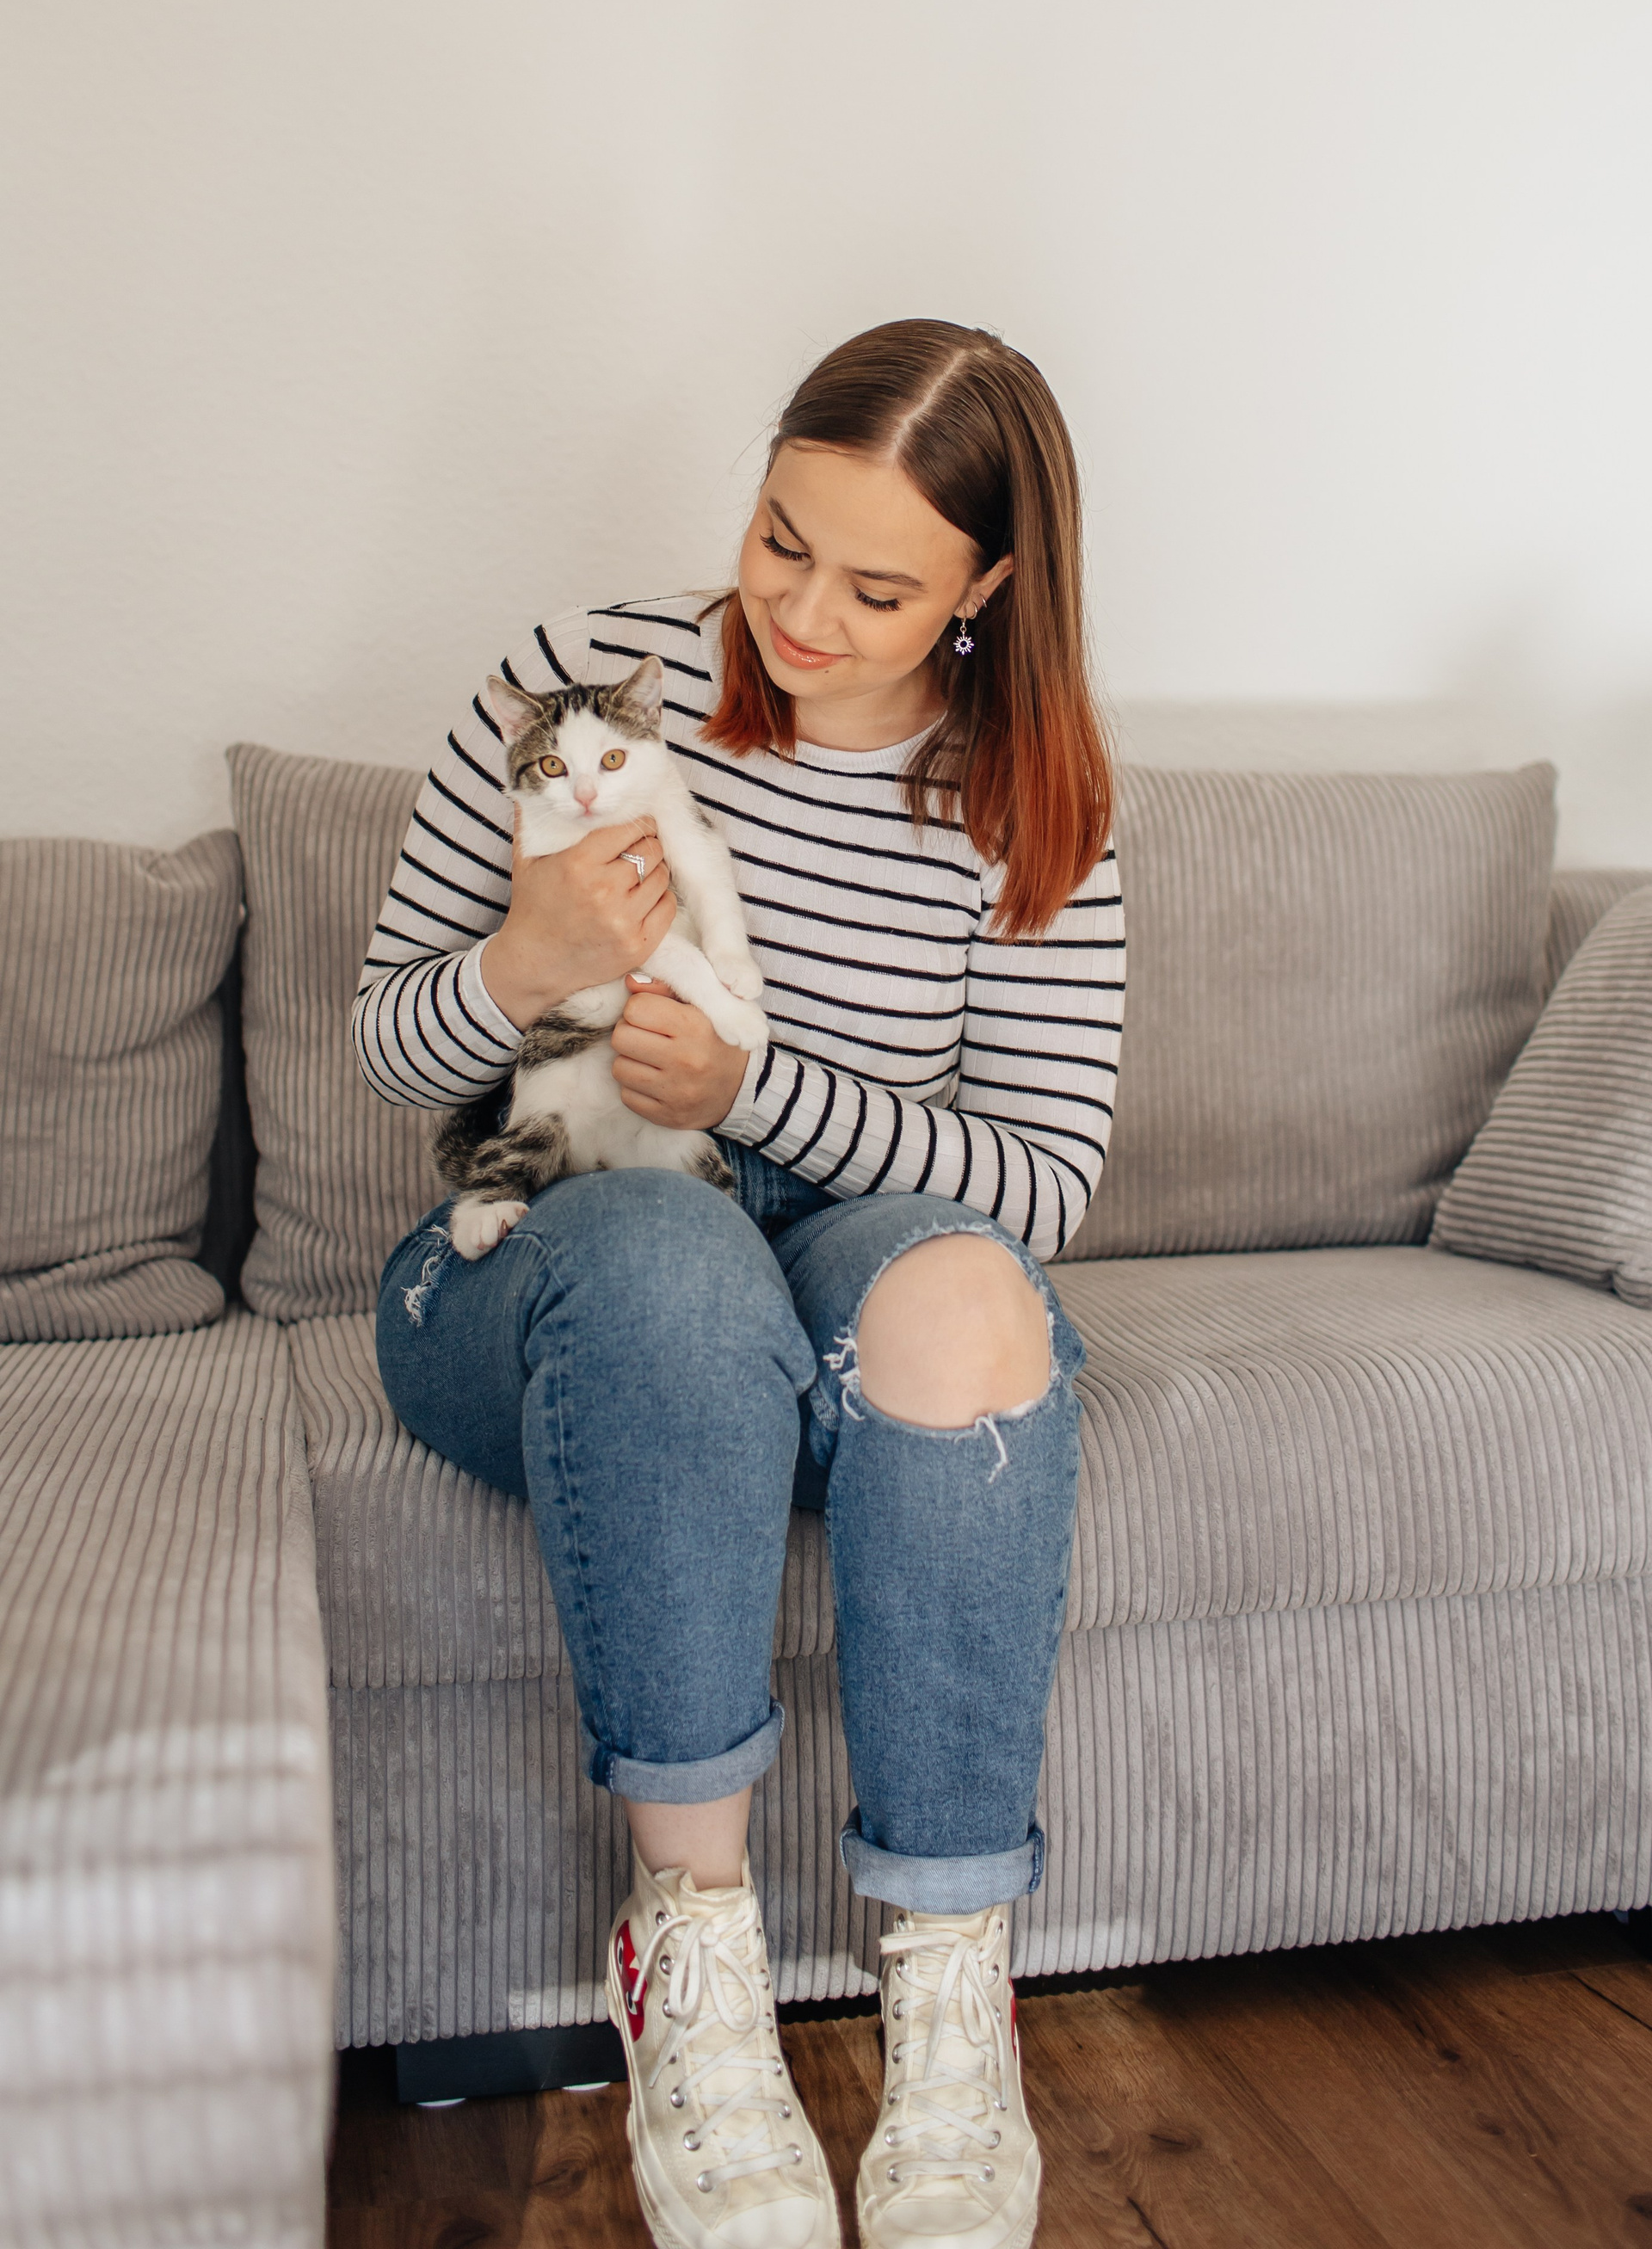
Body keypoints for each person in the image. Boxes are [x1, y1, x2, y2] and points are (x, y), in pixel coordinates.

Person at [357, 318, 1125, 2249]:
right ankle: (692, 1961)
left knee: (966, 1299)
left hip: (824, 1231)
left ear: (988, 590)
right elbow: (382, 1047)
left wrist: (757, 1093)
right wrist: (524, 966)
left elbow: (1046, 1181)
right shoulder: (582, 681)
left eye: (879, 589)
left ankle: (951, 1986)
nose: (797, 612)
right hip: (545, 1242)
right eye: (782, 539)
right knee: (672, 1262)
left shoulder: (1028, 795)